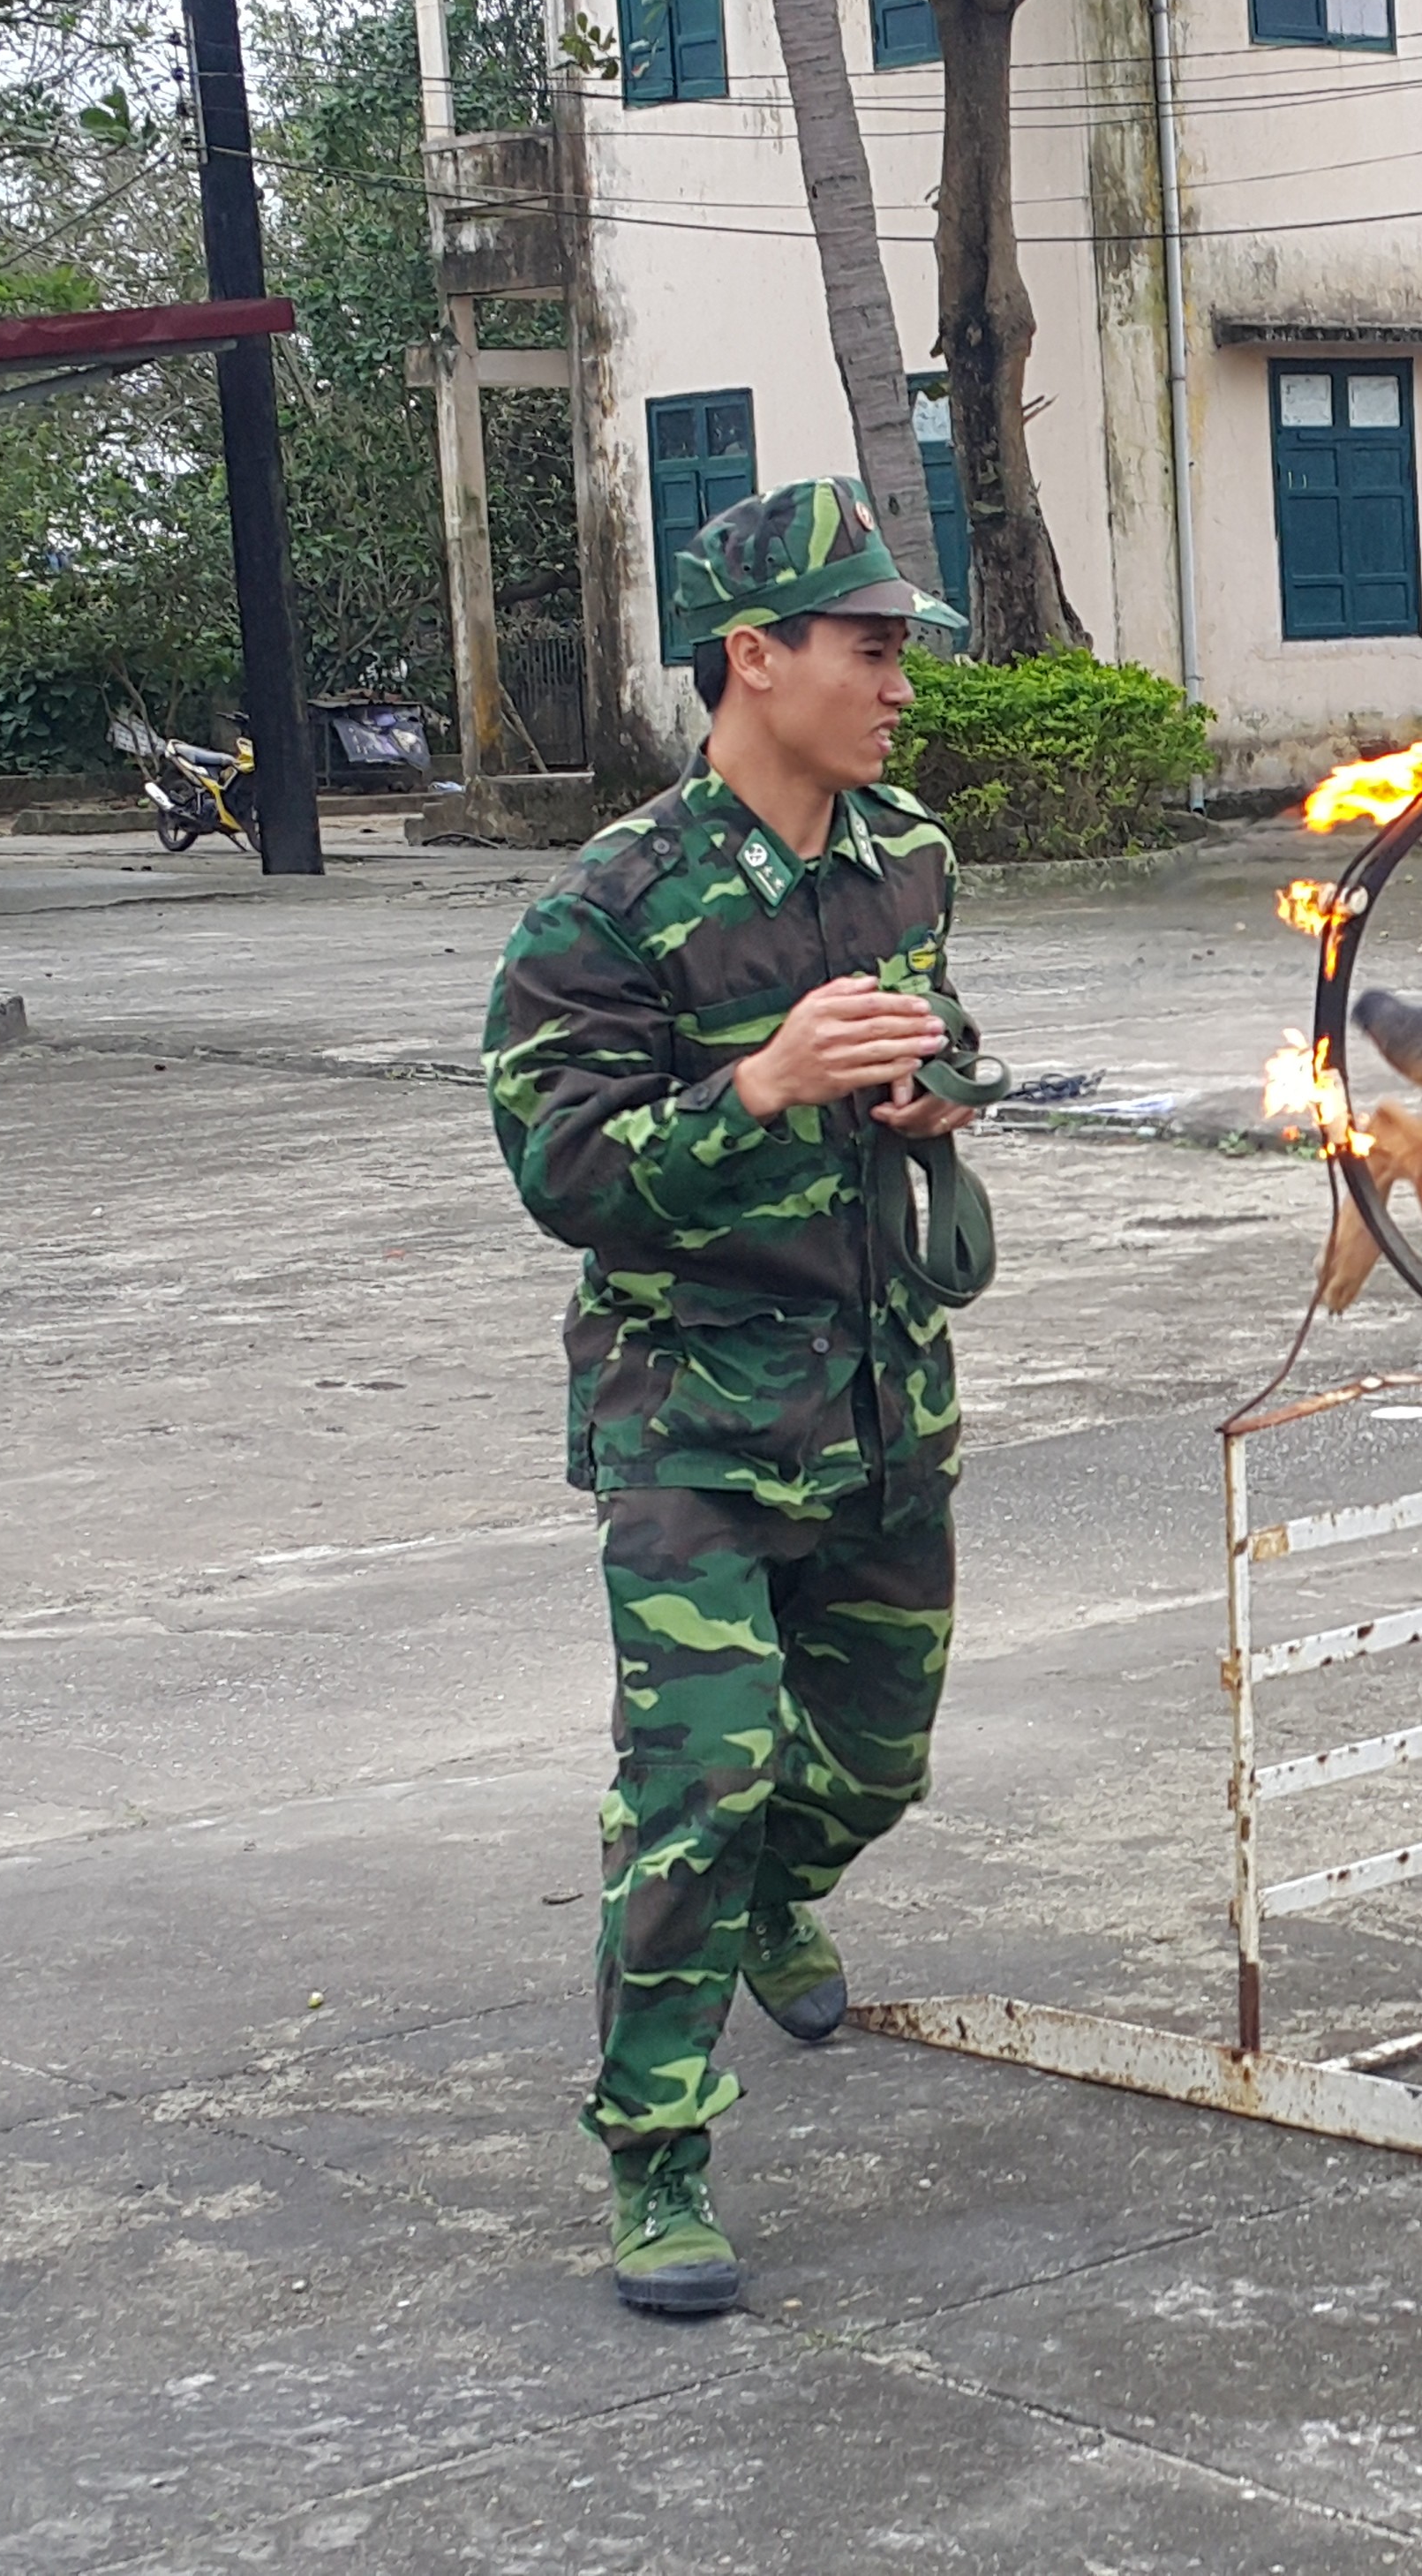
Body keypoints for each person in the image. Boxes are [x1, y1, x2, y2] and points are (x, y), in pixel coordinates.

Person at [481, 478, 989, 2318]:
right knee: (695, 1779)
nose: (901, 685)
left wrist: (938, 1089)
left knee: (872, 1757)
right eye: (871, 650)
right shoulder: (610, 904)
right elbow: (563, 1171)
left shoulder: (908, 853)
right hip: (693, 1413)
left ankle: (796, 1893)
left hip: (878, 1399)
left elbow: (944, 1027)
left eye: (903, 651)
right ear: (754, 661)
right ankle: (659, 2161)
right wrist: (760, 1089)